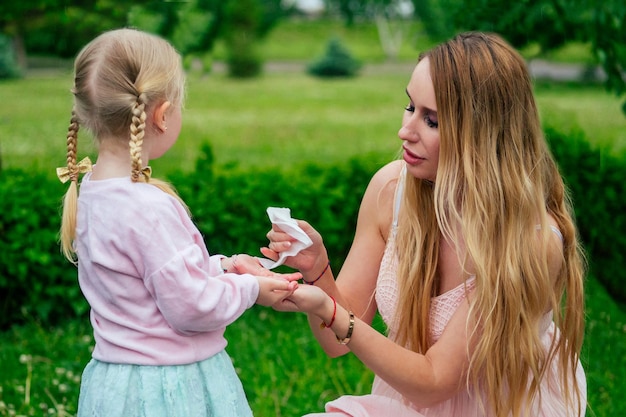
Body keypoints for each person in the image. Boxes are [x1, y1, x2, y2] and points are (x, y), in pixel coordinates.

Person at [263, 32, 587, 417]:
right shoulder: (390, 190)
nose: (406, 130)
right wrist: (316, 271)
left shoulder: (530, 241)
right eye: (409, 106)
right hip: (409, 396)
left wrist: (331, 313)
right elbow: (338, 341)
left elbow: (436, 381)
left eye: (431, 120)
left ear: (482, 135)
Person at [57, 28, 301, 417]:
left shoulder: (91, 190)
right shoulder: (148, 207)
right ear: (162, 115)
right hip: (168, 389)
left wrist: (222, 266)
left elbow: (149, 282)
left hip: (114, 386)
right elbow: (190, 307)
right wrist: (251, 288)